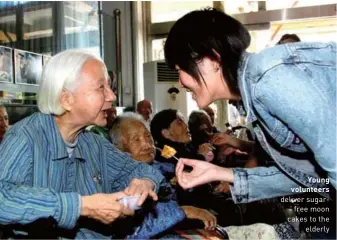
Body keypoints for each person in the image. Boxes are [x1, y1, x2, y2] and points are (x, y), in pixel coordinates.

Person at [164, 9, 336, 237]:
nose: (180, 82)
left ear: (212, 60)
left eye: (180, 70)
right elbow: (307, 178)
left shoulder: (269, 80)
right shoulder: (255, 95)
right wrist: (219, 173)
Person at [0, 50, 164, 239]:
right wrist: (80, 206)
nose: (111, 97)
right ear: (66, 99)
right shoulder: (24, 137)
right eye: (101, 87)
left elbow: (139, 170)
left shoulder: (93, 144)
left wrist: (145, 182)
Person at [109, 112, 217, 231]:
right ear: (119, 149)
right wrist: (185, 211)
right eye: (136, 140)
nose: (147, 145)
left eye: (148, 136)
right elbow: (137, 227)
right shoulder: (122, 180)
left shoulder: (164, 166)